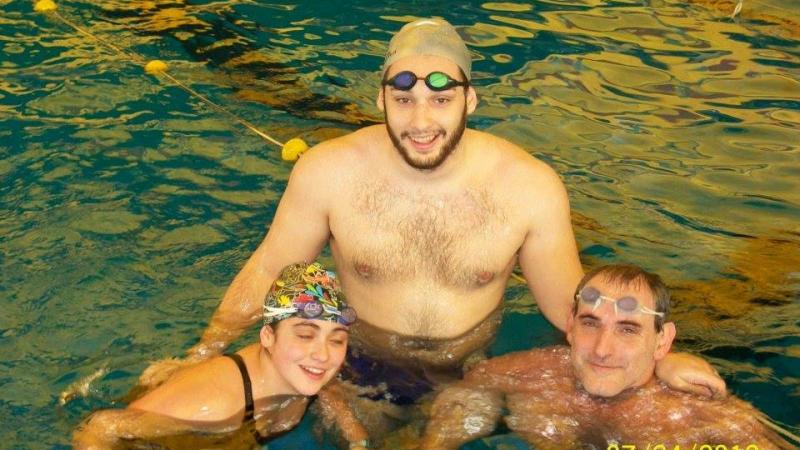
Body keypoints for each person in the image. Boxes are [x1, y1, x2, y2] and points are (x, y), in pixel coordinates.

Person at [140, 17, 724, 443]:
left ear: (470, 100)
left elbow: (573, 307)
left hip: (466, 373)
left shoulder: (528, 186)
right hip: (354, 366)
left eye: (440, 100)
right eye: (404, 98)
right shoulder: (330, 172)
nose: (422, 121)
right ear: (381, 100)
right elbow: (271, 268)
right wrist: (203, 350)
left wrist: (656, 359)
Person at [420, 264, 794, 450]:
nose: (601, 349)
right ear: (569, 326)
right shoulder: (524, 374)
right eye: (590, 323)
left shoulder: (706, 416)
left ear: (662, 342)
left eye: (628, 329)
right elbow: (446, 423)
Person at [73, 262, 369, 450]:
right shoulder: (215, 406)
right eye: (305, 335)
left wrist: (359, 442)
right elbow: (99, 427)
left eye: (337, 340)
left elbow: (343, 413)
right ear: (268, 336)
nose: (322, 354)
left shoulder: (310, 375)